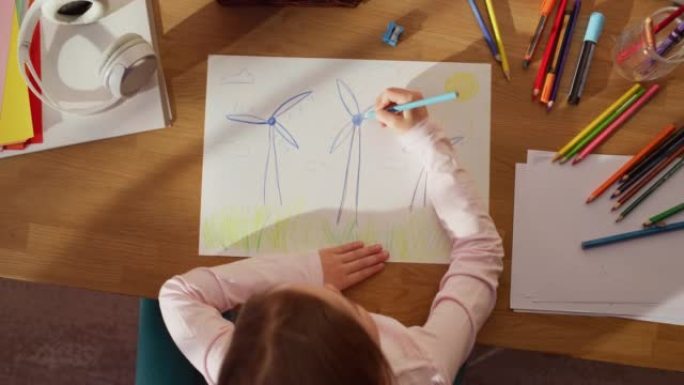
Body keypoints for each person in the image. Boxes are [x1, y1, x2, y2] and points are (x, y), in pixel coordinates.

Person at [159, 87, 504, 385]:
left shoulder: (241, 372)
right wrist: (425, 138)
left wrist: (312, 269)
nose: (330, 287)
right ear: (376, 360)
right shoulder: (422, 368)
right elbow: (480, 251)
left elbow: (178, 296)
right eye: (350, 307)